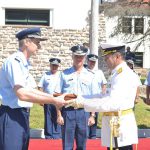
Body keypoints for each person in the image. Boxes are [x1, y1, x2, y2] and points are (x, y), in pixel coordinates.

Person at [0, 27, 66, 150]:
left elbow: (32, 90)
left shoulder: (24, 64)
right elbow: (22, 94)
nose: (39, 47)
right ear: (26, 42)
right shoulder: (14, 62)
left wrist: (55, 97)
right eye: (37, 42)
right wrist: (53, 100)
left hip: (21, 115)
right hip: (12, 115)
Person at [66, 43, 141, 150]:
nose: (105, 60)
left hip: (120, 128)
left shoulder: (123, 75)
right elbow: (104, 95)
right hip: (114, 125)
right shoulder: (116, 73)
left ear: (117, 56)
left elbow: (111, 103)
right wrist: (80, 97)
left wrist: (82, 103)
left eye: (107, 57)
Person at [55, 45, 96, 150]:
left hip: (84, 113)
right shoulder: (64, 74)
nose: (79, 59)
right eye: (76, 56)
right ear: (72, 56)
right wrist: (59, 115)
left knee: (82, 145)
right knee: (67, 146)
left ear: (85, 57)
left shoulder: (90, 75)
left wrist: (92, 115)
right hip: (68, 112)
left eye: (81, 56)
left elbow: (93, 97)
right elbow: (57, 96)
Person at [38, 58, 62, 139]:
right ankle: (48, 135)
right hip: (47, 99)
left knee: (58, 116)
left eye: (56, 65)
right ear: (50, 65)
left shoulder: (61, 75)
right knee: (48, 117)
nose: (54, 67)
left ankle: (57, 135)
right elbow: (40, 87)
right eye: (53, 65)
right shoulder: (45, 75)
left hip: (58, 99)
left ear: (58, 66)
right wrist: (41, 99)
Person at [86, 54, 107, 139]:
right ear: (87, 61)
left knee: (94, 117)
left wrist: (102, 94)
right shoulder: (84, 71)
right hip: (86, 99)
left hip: (96, 99)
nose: (92, 63)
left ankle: (93, 136)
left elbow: (104, 84)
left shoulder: (99, 72)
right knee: (85, 119)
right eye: (91, 61)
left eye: (94, 62)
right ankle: (86, 135)